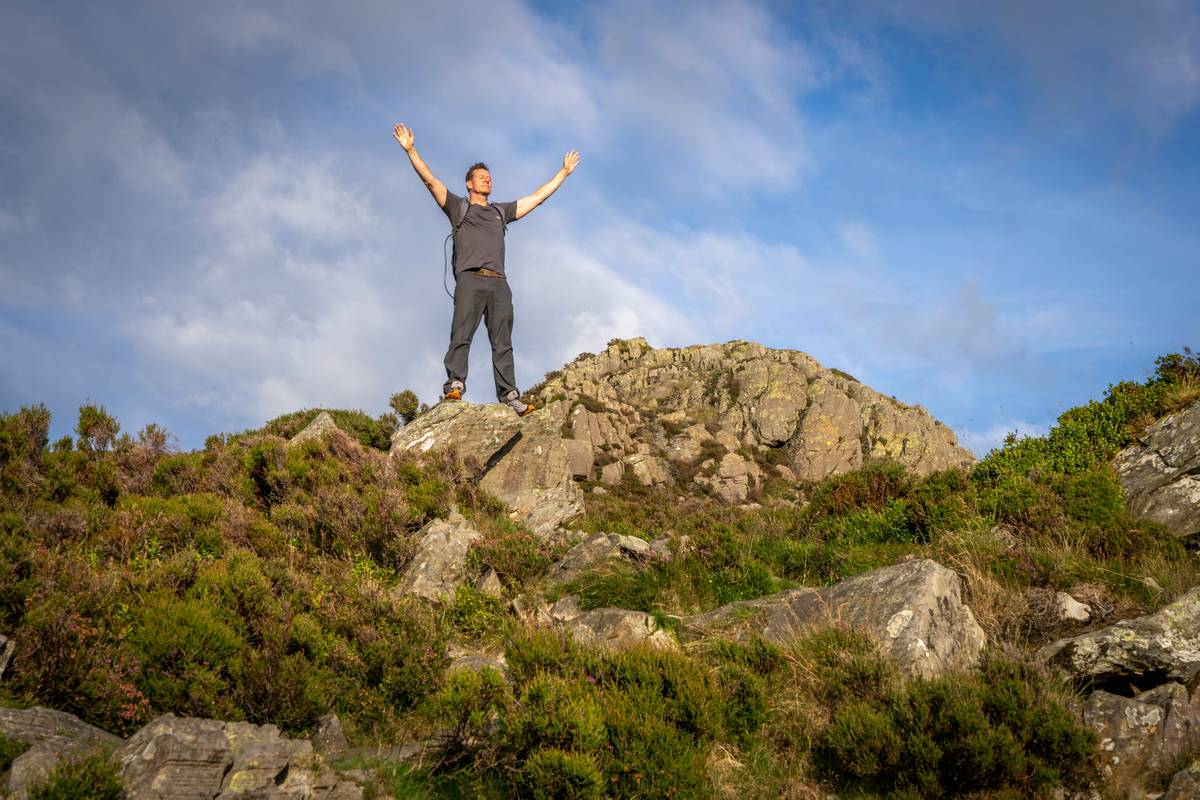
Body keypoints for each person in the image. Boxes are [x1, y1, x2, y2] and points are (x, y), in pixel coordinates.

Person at [393, 122, 580, 416]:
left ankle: (510, 396)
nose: (487, 180)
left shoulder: (499, 212)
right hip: (470, 280)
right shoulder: (459, 207)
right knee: (461, 334)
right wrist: (410, 150)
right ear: (469, 183)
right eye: (481, 177)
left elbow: (537, 197)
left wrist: (563, 173)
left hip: (499, 283)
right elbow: (431, 181)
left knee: (502, 342)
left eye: (489, 177)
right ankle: (455, 384)